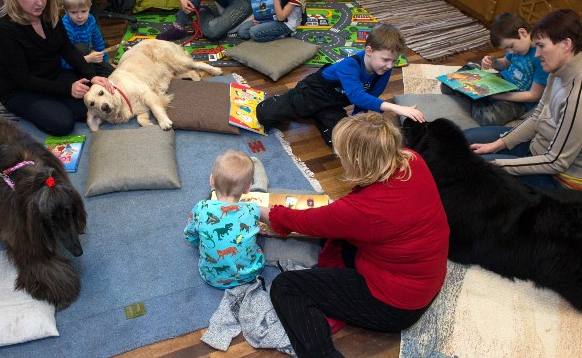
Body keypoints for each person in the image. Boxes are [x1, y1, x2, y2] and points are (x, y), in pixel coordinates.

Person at [257, 112, 449, 357]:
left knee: (287, 287)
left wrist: (260, 211)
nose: (338, 158)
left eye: (341, 155)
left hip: (397, 305)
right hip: (425, 278)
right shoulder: (412, 159)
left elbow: (301, 221)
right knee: (336, 238)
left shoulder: (361, 210)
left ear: (358, 160)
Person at [465, 9, 582, 192]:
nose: (537, 54)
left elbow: (557, 161)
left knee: (473, 170)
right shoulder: (559, 69)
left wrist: (498, 164)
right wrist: (497, 144)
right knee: (464, 140)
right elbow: (537, 116)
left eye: (541, 46)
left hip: (566, 179)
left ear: (566, 44)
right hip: (541, 147)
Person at [0, 0, 113, 136]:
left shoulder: (48, 13)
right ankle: (44, 104)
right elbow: (23, 78)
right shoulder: (1, 27)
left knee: (86, 106)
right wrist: (67, 90)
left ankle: (53, 100)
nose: (40, 3)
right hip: (19, 88)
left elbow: (67, 49)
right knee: (63, 123)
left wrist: (91, 76)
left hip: (52, 74)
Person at [256, 24, 425, 146]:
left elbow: (367, 99)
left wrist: (356, 122)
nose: (389, 66)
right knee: (264, 115)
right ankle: (285, 101)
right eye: (386, 60)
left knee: (341, 140)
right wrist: (395, 108)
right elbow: (356, 96)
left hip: (333, 104)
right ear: (369, 51)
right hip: (312, 92)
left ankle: (317, 114)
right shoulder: (349, 65)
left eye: (393, 61)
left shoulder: (384, 70)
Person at [446, 12, 548, 126]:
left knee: (484, 118)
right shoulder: (517, 48)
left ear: (522, 33)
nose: (510, 51)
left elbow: (533, 96)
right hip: (500, 82)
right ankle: (478, 89)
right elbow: (505, 63)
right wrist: (493, 63)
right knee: (447, 85)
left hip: (517, 99)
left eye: (510, 46)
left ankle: (478, 97)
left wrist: (497, 96)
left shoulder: (541, 57)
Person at [183, 150, 264, 289]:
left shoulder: (201, 207)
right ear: (248, 188)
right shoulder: (253, 209)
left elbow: (190, 235)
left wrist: (200, 244)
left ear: (211, 181)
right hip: (250, 274)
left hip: (211, 277)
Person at [60, 0, 115, 77]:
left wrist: (106, 62)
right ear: (65, 10)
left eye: (84, 11)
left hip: (87, 58)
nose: (80, 16)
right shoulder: (65, 27)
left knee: (110, 72)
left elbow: (99, 43)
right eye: (74, 12)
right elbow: (64, 63)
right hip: (71, 65)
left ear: (90, 7)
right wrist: (88, 59)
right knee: (81, 48)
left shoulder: (91, 19)